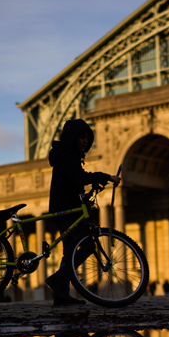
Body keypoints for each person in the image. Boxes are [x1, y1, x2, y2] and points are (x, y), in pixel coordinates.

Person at [47, 119, 120, 306]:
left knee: (68, 251)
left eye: (88, 137)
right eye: (81, 137)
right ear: (72, 137)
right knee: (87, 246)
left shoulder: (67, 154)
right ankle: (59, 278)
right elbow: (79, 176)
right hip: (66, 209)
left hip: (66, 207)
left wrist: (92, 185)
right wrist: (105, 177)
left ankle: (61, 295)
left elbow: (75, 180)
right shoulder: (66, 155)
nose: (85, 141)